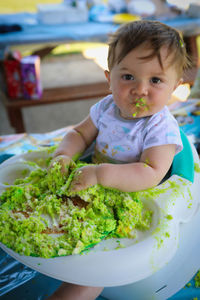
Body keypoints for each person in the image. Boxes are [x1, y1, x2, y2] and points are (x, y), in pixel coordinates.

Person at [47, 20, 190, 300]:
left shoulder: (159, 128)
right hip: (91, 184)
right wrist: (63, 155)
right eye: (128, 77)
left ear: (175, 85)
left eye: (156, 80)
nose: (140, 89)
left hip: (133, 204)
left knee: (95, 268)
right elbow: (79, 133)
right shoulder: (106, 108)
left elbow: (151, 172)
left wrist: (100, 175)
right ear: (108, 78)